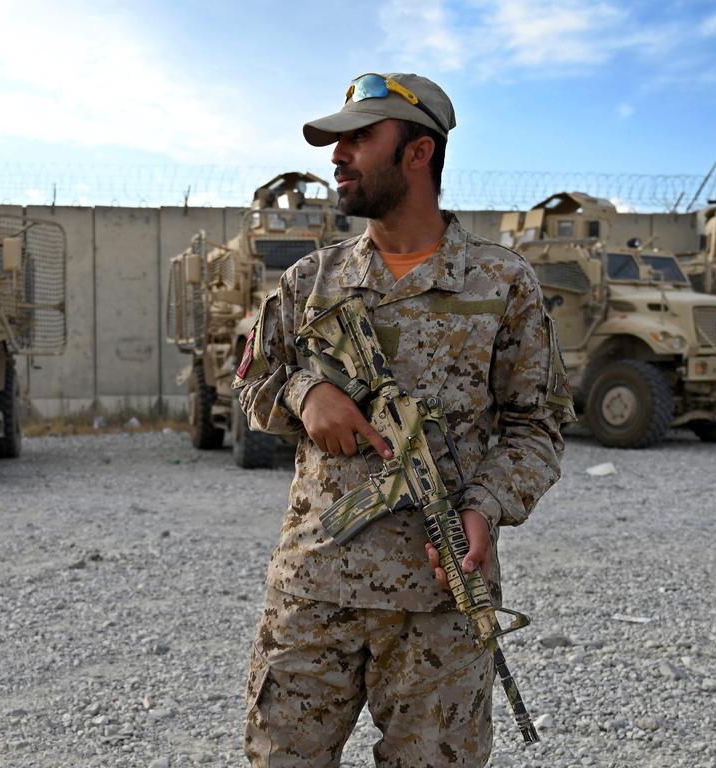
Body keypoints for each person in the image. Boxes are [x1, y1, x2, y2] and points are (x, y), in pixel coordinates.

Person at [232, 72, 576, 767]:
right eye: (338, 142)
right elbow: (252, 385)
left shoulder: (502, 284)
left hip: (440, 604)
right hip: (313, 594)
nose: (338, 157)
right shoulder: (310, 282)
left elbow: (536, 426)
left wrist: (484, 507)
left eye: (360, 139)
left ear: (418, 154)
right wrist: (306, 395)